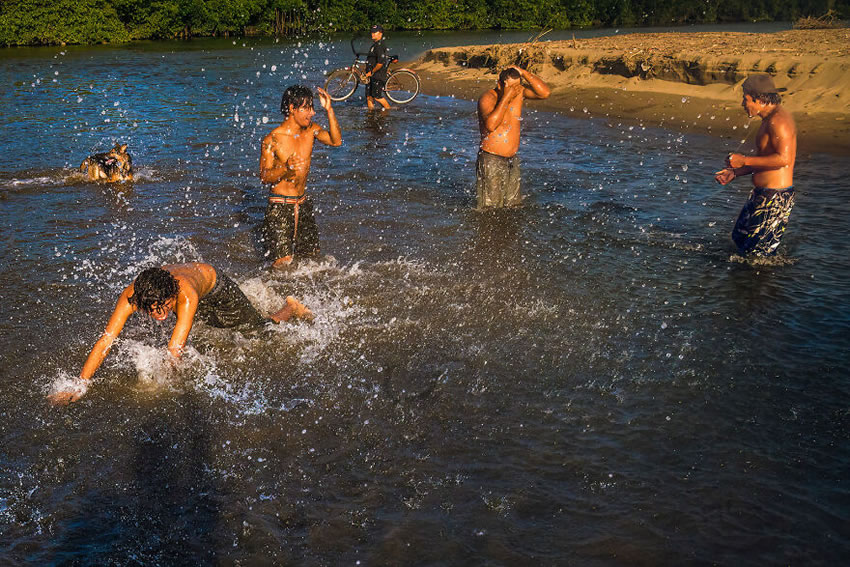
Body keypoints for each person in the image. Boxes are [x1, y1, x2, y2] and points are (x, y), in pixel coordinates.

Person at [48, 263, 312, 405]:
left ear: (172, 296)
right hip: (189, 290)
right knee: (218, 331)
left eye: (164, 308)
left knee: (256, 332)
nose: (159, 315)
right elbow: (106, 340)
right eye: (152, 310)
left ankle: (290, 307)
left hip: (216, 289)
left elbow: (175, 349)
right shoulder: (132, 297)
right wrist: (80, 384)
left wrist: (169, 387)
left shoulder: (185, 296)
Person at [715, 74, 797, 256]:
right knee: (739, 238)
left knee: (757, 255)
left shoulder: (779, 121)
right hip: (762, 194)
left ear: (759, 99)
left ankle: (762, 282)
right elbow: (766, 158)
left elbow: (783, 159)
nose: (743, 104)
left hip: (776, 197)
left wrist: (744, 160)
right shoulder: (768, 119)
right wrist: (736, 172)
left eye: (746, 99)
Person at [260, 85, 342, 267]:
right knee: (282, 264)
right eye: (307, 108)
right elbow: (264, 176)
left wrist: (329, 110)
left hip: (303, 203)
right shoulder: (272, 139)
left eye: (312, 108)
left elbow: (336, 141)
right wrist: (284, 168)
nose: (312, 113)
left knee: (311, 258)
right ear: (292, 108)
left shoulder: (311, 130)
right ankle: (272, 294)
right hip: (280, 206)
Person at [476, 65, 550, 209]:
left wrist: (523, 73)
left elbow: (545, 93)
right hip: (491, 159)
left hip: (512, 159)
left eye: (518, 86)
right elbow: (491, 125)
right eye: (513, 87)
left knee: (514, 207)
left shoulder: (519, 92)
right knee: (489, 209)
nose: (516, 90)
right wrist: (506, 97)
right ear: (501, 84)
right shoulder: (488, 97)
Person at [364, 24, 392, 111]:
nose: (372, 34)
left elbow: (380, 63)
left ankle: (388, 111)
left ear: (380, 33)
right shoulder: (375, 45)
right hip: (371, 75)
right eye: (372, 32)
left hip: (377, 75)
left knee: (377, 97)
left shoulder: (380, 46)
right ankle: (370, 116)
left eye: (375, 32)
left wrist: (371, 72)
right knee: (369, 96)